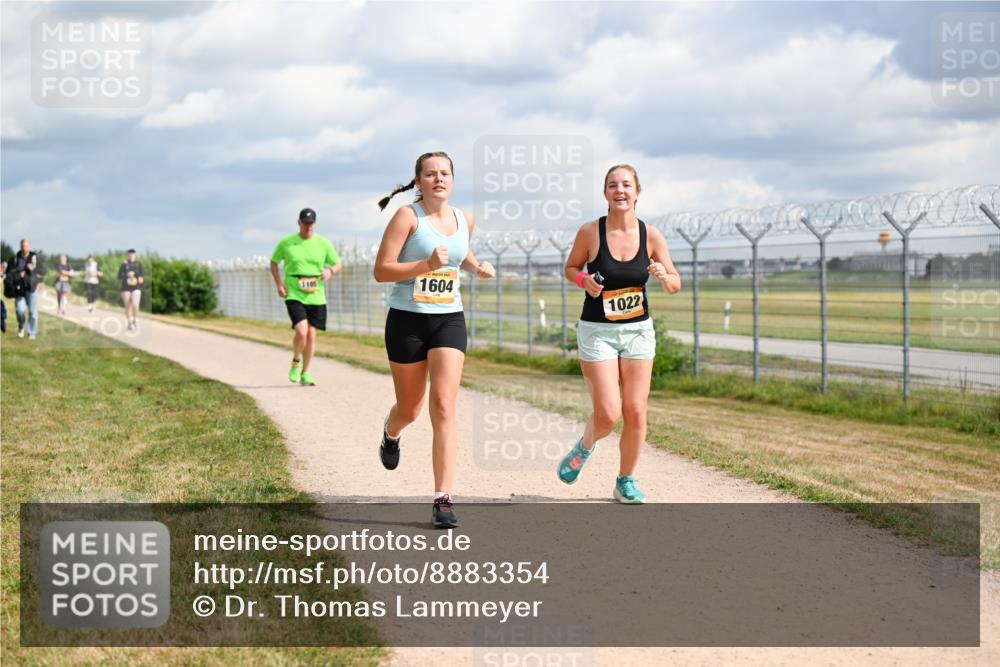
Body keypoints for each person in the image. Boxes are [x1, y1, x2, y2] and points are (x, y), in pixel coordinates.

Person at [373, 151, 495, 528]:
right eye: (430, 174)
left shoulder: (465, 219)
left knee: (443, 406)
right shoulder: (408, 217)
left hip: (448, 320)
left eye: (444, 173)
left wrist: (476, 267)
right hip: (407, 322)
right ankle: (391, 433)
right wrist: (424, 265)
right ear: (419, 181)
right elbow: (382, 271)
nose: (438, 179)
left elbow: (460, 252)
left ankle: (443, 498)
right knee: (410, 409)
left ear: (453, 180)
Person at [557, 164, 681, 504]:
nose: (620, 190)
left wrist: (661, 274)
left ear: (637, 192)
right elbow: (570, 268)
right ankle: (584, 447)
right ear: (605, 194)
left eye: (626, 184)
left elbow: (674, 283)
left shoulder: (651, 236)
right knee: (609, 413)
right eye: (613, 185)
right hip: (598, 332)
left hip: (638, 331)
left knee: (637, 411)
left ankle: (625, 481)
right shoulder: (590, 233)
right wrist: (584, 281)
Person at [269, 208, 343, 386]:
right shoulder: (287, 242)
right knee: (301, 330)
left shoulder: (323, 243)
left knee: (311, 335)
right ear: (299, 223)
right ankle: (296, 361)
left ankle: (306, 373)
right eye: (305, 223)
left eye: (311, 223)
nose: (308, 226)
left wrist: (330, 270)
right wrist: (279, 283)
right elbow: (273, 262)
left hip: (316, 295)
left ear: (315, 224)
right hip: (294, 292)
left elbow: (338, 263)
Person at [7, 239, 41, 340]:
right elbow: (10, 272)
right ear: (20, 246)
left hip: (31, 289)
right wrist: (19, 274)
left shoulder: (34, 258)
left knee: (33, 313)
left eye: (26, 246)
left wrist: (33, 268)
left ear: (29, 247)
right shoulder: (15, 259)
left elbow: (41, 270)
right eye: (23, 246)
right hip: (19, 289)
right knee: (20, 310)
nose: (24, 248)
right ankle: (21, 326)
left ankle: (32, 333)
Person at [118, 249, 145, 331]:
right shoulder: (124, 264)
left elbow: (141, 276)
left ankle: (135, 319)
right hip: (125, 287)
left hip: (136, 287)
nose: (131, 256)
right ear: (127, 255)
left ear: (135, 255)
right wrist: (126, 274)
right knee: (127, 306)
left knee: (135, 305)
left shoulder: (139, 264)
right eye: (129, 254)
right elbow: (119, 276)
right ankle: (130, 323)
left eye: (132, 254)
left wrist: (139, 278)